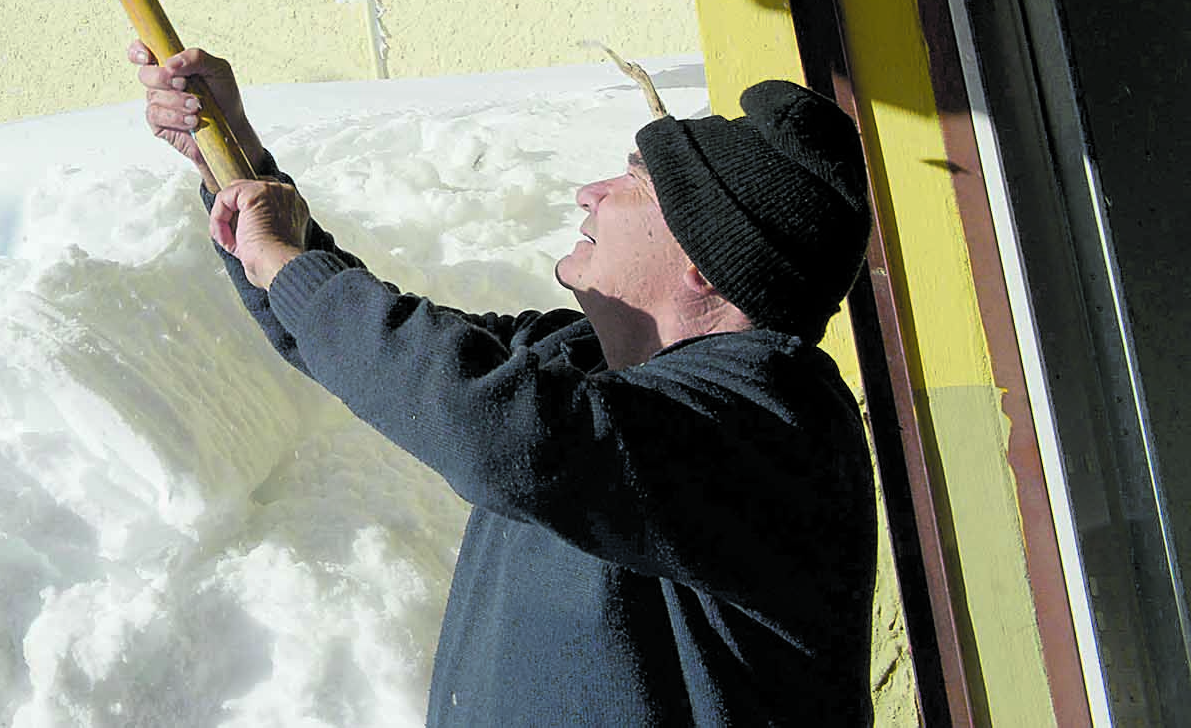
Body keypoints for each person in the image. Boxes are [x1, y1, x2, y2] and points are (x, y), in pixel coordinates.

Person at [131, 42, 877, 727]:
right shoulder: (579, 359)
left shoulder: (775, 430)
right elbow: (367, 342)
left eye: (637, 180)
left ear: (705, 263)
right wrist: (233, 159)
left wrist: (289, 265)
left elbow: (504, 427)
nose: (592, 190)